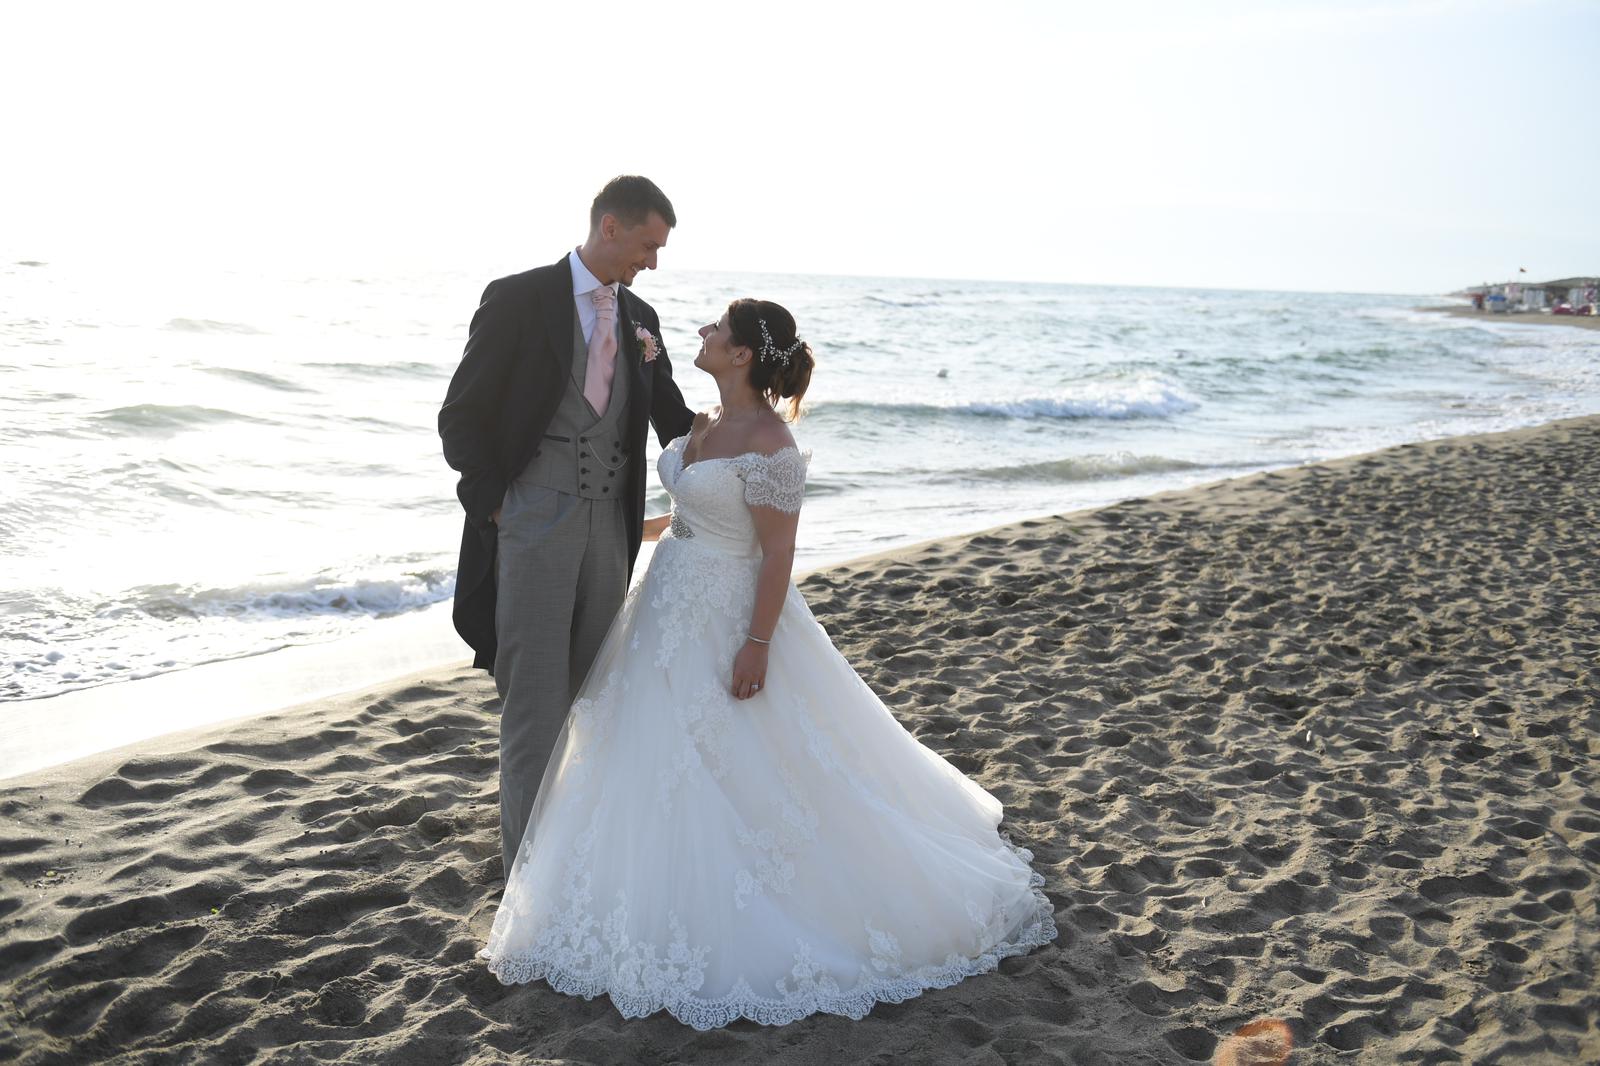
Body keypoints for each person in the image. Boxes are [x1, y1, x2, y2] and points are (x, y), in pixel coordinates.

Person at [478, 299, 1057, 1029]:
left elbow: (777, 553)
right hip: (664, 606)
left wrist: (755, 643)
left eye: (716, 329)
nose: (703, 333)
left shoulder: (772, 443)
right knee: (647, 750)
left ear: (744, 353)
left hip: (727, 615)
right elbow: (686, 515)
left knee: (742, 757)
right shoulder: (704, 425)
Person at [438, 176, 696, 878]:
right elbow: (461, 417)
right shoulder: (519, 298)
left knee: (594, 696)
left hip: (609, 534)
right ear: (609, 226)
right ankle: (528, 881)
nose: (652, 262)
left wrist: (750, 431)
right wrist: (498, 506)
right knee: (534, 705)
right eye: (648, 244)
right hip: (532, 524)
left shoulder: (643, 317)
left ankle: (580, 863)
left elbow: (671, 417)